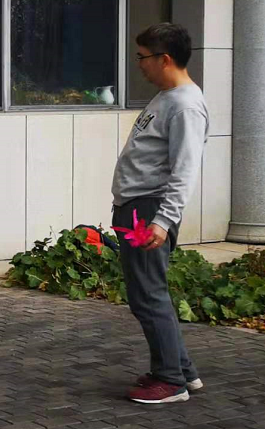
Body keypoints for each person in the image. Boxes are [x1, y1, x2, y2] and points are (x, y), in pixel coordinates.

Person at [111, 23, 207, 404]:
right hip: (137, 207)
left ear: (164, 59)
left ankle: (171, 381)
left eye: (142, 57)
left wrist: (163, 221)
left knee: (148, 297)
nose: (139, 64)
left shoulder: (185, 106)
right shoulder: (168, 97)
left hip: (149, 209)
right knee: (151, 294)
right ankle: (182, 370)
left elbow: (185, 171)